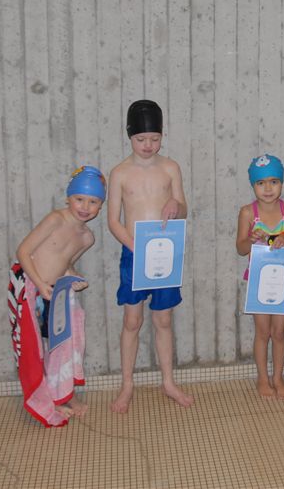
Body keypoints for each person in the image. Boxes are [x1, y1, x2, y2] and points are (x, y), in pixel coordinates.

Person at [107, 100, 194, 413]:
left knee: (163, 319)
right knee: (132, 320)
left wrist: (176, 206)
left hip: (165, 254)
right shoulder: (120, 173)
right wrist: (133, 245)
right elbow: (113, 221)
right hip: (133, 253)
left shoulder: (170, 168)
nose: (148, 145)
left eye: (155, 139)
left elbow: (183, 209)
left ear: (162, 135)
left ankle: (168, 381)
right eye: (141, 139)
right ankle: (127, 384)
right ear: (130, 136)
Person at [8, 165, 105, 427]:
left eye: (93, 202)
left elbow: (65, 262)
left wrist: (74, 277)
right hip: (29, 286)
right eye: (79, 199)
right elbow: (23, 251)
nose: (85, 207)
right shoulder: (55, 219)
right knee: (35, 348)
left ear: (100, 206)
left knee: (59, 346)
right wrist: (39, 284)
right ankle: (46, 400)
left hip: (54, 292)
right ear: (68, 198)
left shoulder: (87, 238)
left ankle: (62, 395)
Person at [236, 153, 284, 399]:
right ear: (253, 185)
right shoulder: (248, 213)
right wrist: (251, 240)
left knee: (279, 332)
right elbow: (240, 248)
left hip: (283, 280)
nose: (268, 188)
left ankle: (278, 377)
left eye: (274, 182)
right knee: (263, 332)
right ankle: (263, 378)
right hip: (258, 280)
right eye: (261, 183)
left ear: (281, 183)